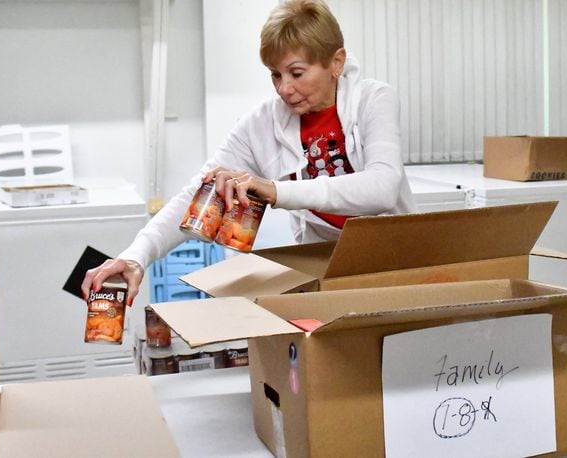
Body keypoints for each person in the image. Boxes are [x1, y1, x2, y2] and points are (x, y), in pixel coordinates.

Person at [82, 0, 415, 305]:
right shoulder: (260, 125)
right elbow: (195, 196)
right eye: (275, 74)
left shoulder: (375, 100)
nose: (285, 88)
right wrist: (135, 256)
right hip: (325, 265)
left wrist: (276, 190)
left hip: (393, 261)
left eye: (297, 73)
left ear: (336, 62)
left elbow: (383, 187)